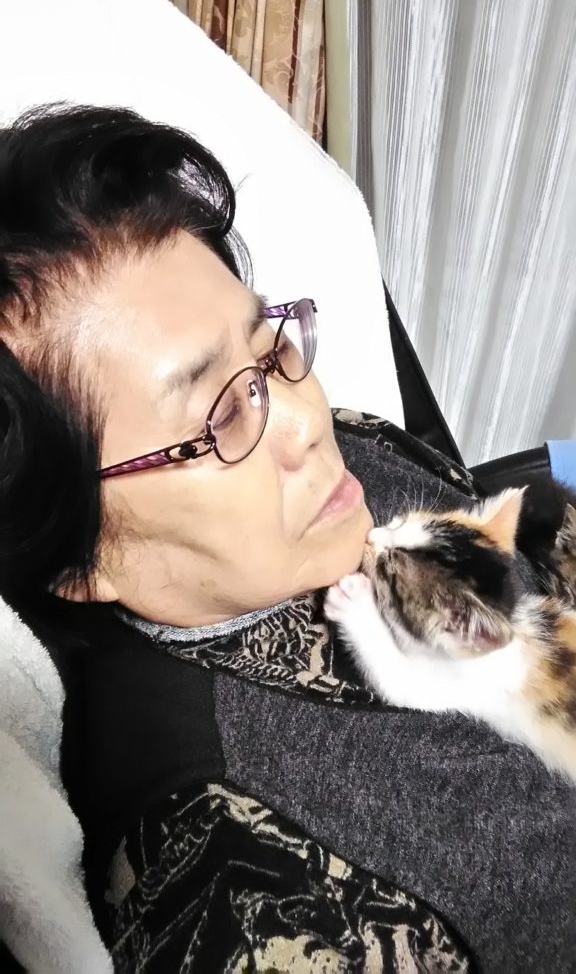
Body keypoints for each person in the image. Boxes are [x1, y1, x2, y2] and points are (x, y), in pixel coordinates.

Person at [0, 103, 574, 974]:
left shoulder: (331, 465)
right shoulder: (242, 878)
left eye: (269, 349)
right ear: (83, 563)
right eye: (218, 414)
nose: (308, 421)